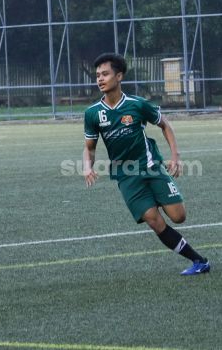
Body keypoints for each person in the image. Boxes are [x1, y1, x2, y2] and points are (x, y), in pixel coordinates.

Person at [83, 53, 209, 276]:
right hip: (126, 176)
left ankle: (158, 197)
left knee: (179, 216)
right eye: (97, 75)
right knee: (154, 221)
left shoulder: (137, 105)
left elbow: (165, 125)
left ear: (119, 76)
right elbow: (89, 148)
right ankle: (199, 261)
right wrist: (87, 166)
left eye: (105, 74)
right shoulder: (93, 113)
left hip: (151, 167)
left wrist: (175, 157)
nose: (100, 79)